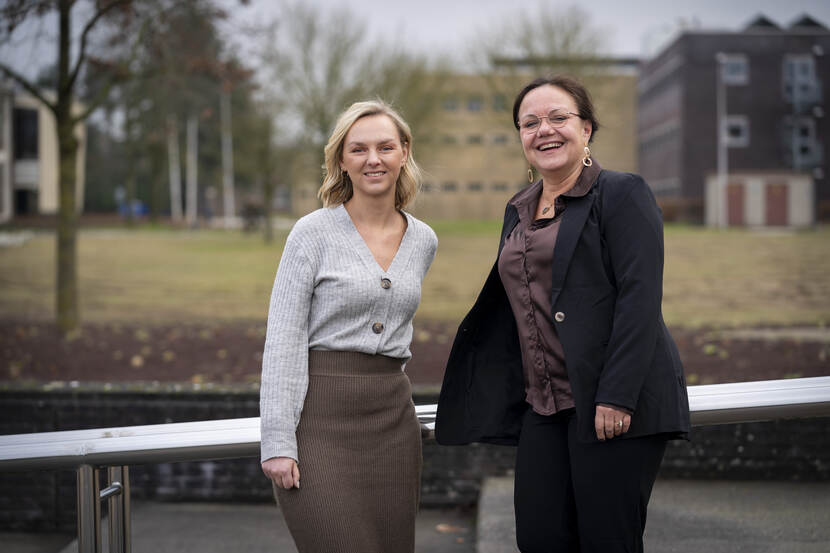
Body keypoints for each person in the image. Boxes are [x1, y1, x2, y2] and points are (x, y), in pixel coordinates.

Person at [435, 76, 691, 553]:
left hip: (611, 403)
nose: (544, 130)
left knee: (607, 542)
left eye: (558, 118)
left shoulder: (621, 193)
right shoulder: (519, 208)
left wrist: (616, 396)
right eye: (529, 123)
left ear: (586, 128)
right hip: (545, 406)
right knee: (539, 538)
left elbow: (639, 300)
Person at [260, 99, 437, 553]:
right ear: (341, 159)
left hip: (393, 426)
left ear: (404, 152)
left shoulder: (423, 240)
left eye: (385, 147)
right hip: (320, 425)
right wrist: (278, 441)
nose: (373, 159)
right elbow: (283, 340)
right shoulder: (311, 234)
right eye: (358, 149)